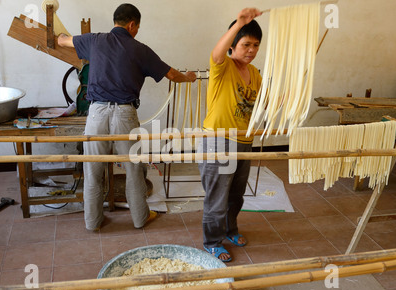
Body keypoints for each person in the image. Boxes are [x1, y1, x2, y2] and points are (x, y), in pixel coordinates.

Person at [58, 3, 196, 231]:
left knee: (93, 169)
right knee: (134, 168)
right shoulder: (140, 49)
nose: (137, 31)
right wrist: (188, 78)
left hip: (96, 113)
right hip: (125, 113)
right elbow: (171, 74)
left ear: (116, 21)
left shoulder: (93, 40)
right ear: (132, 24)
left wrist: (61, 34)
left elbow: (63, 40)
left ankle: (92, 223)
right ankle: (140, 218)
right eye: (137, 27)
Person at [198, 8, 263, 261]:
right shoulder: (223, 67)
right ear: (233, 45)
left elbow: (263, 101)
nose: (251, 50)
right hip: (218, 140)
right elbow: (216, 52)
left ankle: (230, 229)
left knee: (236, 194)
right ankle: (212, 241)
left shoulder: (255, 74)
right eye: (246, 44)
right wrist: (239, 23)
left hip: (245, 140)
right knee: (217, 195)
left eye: (256, 45)